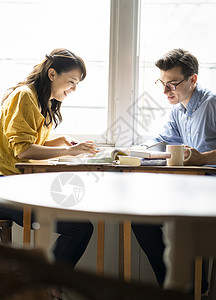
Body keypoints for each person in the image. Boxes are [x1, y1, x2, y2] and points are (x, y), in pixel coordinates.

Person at [0, 48, 98, 299]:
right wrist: (70, 152)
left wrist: (62, 141)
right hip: (4, 188)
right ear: (52, 74)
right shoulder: (25, 96)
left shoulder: (39, 100)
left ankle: (44, 285)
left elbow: (30, 144)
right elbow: (23, 151)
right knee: (79, 228)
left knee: (80, 225)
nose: (74, 89)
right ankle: (43, 286)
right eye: (72, 82)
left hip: (16, 186)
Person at [132, 48, 216, 293]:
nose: (165, 91)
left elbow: (200, 158)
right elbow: (160, 138)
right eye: (162, 83)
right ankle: (176, 288)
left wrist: (203, 158)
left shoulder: (211, 104)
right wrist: (135, 151)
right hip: (189, 189)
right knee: (140, 221)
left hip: (209, 191)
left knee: (184, 225)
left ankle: (190, 287)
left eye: (172, 84)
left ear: (193, 79)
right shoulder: (179, 109)